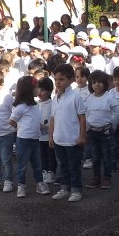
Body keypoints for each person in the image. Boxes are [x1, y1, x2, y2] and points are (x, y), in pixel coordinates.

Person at [49, 63, 86, 202]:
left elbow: (82, 118)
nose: (58, 82)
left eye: (61, 79)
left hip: (72, 139)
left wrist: (82, 136)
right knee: (62, 165)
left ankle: (76, 190)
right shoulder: (55, 98)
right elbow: (53, 118)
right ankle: (64, 188)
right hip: (59, 139)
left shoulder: (75, 97)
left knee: (74, 165)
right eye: (56, 79)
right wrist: (51, 135)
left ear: (70, 80)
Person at [8, 75, 48, 197]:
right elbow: (11, 121)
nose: (38, 90)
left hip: (36, 139)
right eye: (36, 88)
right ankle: (21, 185)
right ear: (29, 90)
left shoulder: (36, 105)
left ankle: (40, 183)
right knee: (22, 164)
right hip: (23, 140)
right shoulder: (20, 108)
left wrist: (42, 126)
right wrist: (19, 128)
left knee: (37, 163)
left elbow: (35, 120)